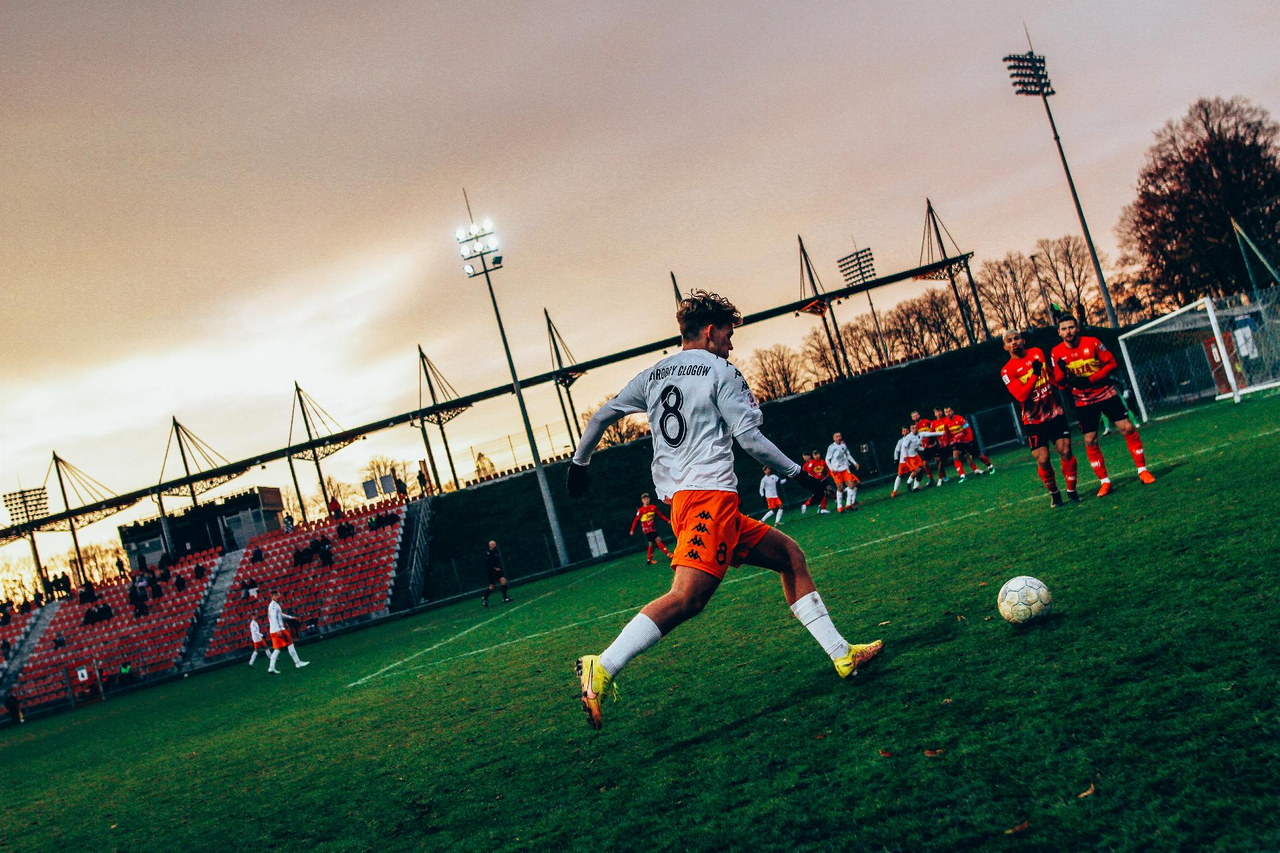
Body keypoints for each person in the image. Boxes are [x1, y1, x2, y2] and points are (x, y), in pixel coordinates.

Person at [566, 289, 882, 730]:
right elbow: (750, 439)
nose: (731, 346)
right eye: (729, 336)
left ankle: (841, 654)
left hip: (685, 503)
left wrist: (579, 464)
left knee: (789, 556)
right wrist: (801, 475)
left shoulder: (652, 375)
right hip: (708, 499)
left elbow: (601, 416)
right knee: (687, 598)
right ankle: (602, 665)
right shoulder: (721, 371)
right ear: (711, 331)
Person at [1051, 316, 1156, 496]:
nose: (1068, 331)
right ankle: (1105, 482)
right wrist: (1062, 371)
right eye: (1064, 329)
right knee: (1090, 439)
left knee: (1127, 428)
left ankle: (1142, 471)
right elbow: (1059, 381)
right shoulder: (1056, 352)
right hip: (1083, 399)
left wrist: (1092, 379)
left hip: (1105, 392)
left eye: (1071, 327)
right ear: (1059, 332)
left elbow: (1112, 363)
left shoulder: (1092, 342)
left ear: (1077, 328)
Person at [1001, 330, 1079, 507]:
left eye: (1016, 338)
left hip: (1054, 412)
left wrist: (1062, 376)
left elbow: (1051, 376)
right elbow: (1021, 396)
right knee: (1043, 460)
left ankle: (1072, 491)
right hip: (1033, 420)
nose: (1014, 342)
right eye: (1009, 341)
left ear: (1023, 340)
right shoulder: (1006, 370)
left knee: (1066, 451)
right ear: (1005, 347)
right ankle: (1055, 494)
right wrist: (1035, 374)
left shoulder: (1037, 352)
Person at [941, 406, 994, 481]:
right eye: (946, 412)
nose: (948, 413)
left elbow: (968, 428)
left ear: (952, 411)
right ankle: (962, 476)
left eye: (949, 411)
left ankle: (990, 466)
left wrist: (970, 439)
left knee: (979, 456)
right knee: (955, 456)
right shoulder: (946, 422)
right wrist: (947, 442)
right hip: (958, 442)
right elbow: (947, 433)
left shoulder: (960, 419)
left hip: (967, 441)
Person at [265, 592, 310, 673]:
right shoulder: (273, 606)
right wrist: (278, 630)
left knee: (277, 649)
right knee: (290, 644)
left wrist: (290, 617)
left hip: (273, 631)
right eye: (275, 596)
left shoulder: (272, 605)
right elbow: (274, 618)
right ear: (272, 597)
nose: (277, 597)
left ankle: (271, 667)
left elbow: (280, 614)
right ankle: (298, 663)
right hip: (279, 629)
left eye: (278, 595)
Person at [628, 494, 672, 564]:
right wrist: (632, 530)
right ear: (642, 501)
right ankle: (668, 554)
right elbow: (635, 520)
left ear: (649, 499)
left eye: (647, 499)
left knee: (652, 543)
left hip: (653, 528)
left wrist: (668, 520)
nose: (646, 500)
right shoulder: (641, 510)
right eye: (645, 499)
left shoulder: (653, 507)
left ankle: (649, 559)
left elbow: (660, 515)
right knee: (657, 540)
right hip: (647, 529)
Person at [824, 432, 861, 512]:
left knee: (851, 485)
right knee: (840, 487)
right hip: (836, 470)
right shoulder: (832, 447)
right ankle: (840, 507)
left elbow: (848, 455)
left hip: (844, 469)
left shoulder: (843, 445)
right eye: (837, 436)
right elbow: (827, 459)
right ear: (834, 439)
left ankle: (848, 505)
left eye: (840, 436)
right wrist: (831, 469)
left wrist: (855, 463)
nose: (839, 437)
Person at [891, 425, 930, 497]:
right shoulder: (900, 441)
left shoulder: (913, 437)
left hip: (911, 459)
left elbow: (916, 447)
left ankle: (915, 487)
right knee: (900, 475)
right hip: (903, 461)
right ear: (902, 433)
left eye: (906, 430)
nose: (905, 431)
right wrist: (895, 459)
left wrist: (924, 449)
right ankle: (895, 491)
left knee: (920, 470)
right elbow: (896, 450)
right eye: (903, 431)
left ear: (909, 430)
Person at [912, 410, 945, 486]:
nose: (915, 417)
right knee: (925, 464)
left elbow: (933, 429)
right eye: (914, 416)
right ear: (912, 418)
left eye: (916, 415)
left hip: (932, 445)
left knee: (938, 460)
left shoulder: (926, 421)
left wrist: (932, 439)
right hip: (924, 447)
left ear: (919, 415)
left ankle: (943, 476)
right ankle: (931, 479)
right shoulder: (914, 427)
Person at [799, 450, 832, 515]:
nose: (804, 459)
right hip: (814, 481)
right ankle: (809, 505)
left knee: (821, 493)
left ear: (809, 456)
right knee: (820, 493)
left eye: (805, 457)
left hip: (819, 480)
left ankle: (820, 508)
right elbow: (807, 473)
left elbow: (819, 471)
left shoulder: (815, 462)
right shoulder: (808, 464)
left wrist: (823, 476)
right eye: (804, 458)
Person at [482, 541, 511, 606]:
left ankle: (505, 598)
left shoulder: (496, 551)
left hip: (497, 570)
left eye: (495, 544)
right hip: (491, 571)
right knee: (492, 586)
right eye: (492, 544)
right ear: (489, 545)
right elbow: (488, 563)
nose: (494, 545)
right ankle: (485, 598)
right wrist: (494, 568)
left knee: (504, 581)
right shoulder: (488, 553)